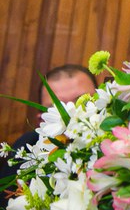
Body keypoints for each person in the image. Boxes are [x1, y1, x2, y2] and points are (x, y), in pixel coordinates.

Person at [0, 64, 97, 196]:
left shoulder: (118, 144)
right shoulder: (27, 147)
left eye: (82, 102)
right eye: (57, 108)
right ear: (41, 120)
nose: (71, 116)